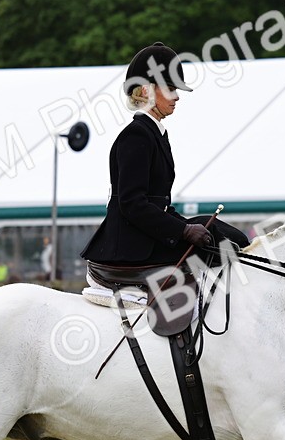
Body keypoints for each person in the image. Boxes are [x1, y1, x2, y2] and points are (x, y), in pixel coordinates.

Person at [80, 42, 249, 270]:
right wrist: (184, 230)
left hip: (148, 234)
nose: (177, 97)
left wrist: (189, 225)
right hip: (132, 244)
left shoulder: (155, 134)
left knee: (229, 235)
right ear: (147, 90)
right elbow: (132, 204)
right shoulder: (136, 135)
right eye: (170, 89)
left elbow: (160, 206)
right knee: (218, 245)